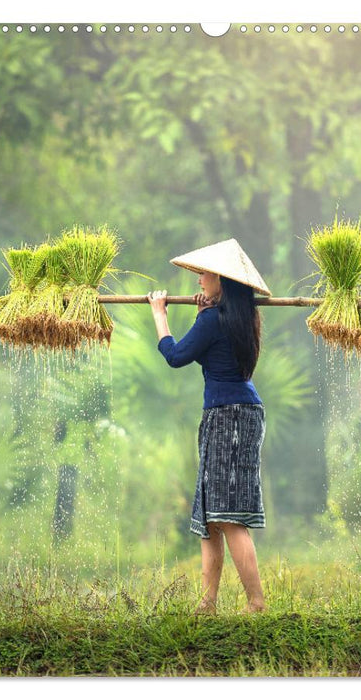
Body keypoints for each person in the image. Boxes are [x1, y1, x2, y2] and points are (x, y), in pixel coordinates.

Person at [147, 238, 272, 615]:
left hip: (228, 416)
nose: (199, 280)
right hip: (239, 412)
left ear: (221, 279)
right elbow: (211, 340)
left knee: (227, 516)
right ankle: (208, 603)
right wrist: (204, 313)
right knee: (211, 515)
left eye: (204, 274)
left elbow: (176, 355)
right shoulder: (240, 317)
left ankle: (256, 602)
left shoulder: (213, 320)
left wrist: (159, 313)